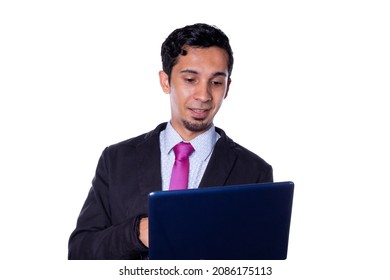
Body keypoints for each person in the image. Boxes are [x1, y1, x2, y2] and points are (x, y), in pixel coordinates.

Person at [68, 23, 273, 260]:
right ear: (165, 81)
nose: (204, 95)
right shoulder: (116, 160)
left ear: (227, 87)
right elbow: (80, 252)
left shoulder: (255, 173)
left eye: (216, 82)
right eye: (190, 79)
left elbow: (261, 262)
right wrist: (137, 233)